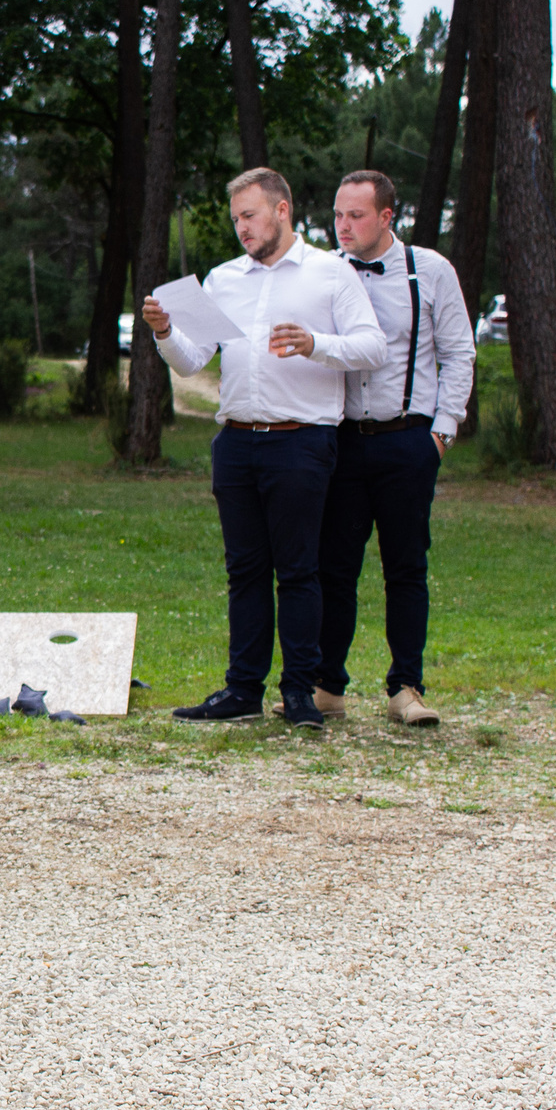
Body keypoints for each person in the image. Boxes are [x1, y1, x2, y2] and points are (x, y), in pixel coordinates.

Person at [144, 168, 387, 728]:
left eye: (249, 216)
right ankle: (242, 690)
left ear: (282, 210)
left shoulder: (330, 273)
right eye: (235, 220)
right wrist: (163, 332)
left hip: (301, 440)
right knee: (244, 570)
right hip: (235, 441)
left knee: (300, 570)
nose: (241, 229)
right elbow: (192, 359)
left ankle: (300, 691)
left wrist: (314, 344)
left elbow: (372, 346)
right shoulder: (224, 279)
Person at [317, 170, 476, 727]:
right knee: (334, 565)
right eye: (338, 214)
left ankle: (406, 686)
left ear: (387, 217)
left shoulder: (429, 271)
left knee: (405, 566)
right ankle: (327, 685)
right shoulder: (326, 272)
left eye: (356, 215)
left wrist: (441, 432)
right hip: (341, 440)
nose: (344, 226)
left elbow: (459, 353)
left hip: (408, 440)